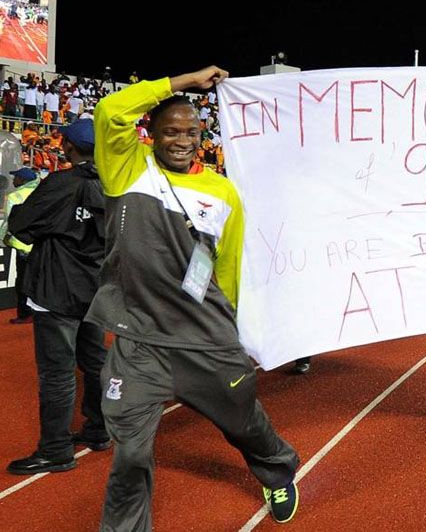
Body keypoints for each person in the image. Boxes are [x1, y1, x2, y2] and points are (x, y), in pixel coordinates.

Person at [88, 66, 300, 529]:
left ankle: (277, 467)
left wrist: (240, 333)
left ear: (201, 134)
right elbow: (109, 110)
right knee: (130, 452)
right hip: (140, 342)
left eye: (190, 131)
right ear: (152, 135)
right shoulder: (126, 167)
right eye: (170, 131)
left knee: (244, 424)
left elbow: (227, 270)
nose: (180, 140)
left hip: (205, 340)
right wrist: (182, 82)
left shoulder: (222, 191)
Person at [5, 119, 110, 475]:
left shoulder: (59, 183)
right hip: (95, 290)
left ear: (68, 148)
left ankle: (54, 449)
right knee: (95, 363)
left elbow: (20, 225)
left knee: (57, 374)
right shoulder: (112, 185)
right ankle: (99, 430)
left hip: (57, 290)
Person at [1, 167, 40, 323]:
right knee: (37, 280)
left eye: (16, 178)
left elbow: (10, 224)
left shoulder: (14, 197)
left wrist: (4, 238)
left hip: (23, 246)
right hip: (39, 245)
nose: (13, 180)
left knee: (22, 282)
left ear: (23, 181)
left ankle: (25, 314)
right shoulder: (41, 193)